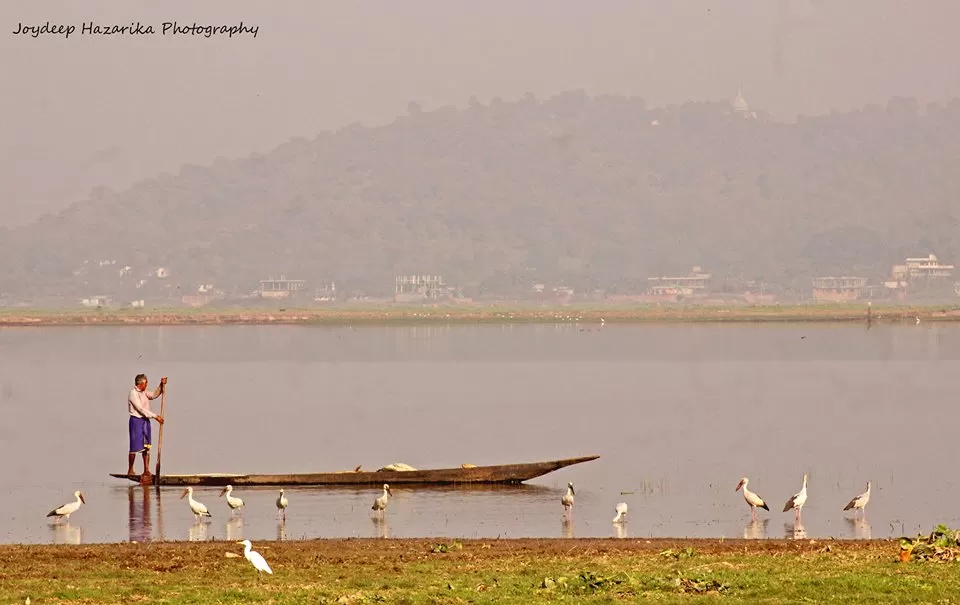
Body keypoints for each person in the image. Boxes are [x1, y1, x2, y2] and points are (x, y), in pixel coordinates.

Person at [127, 374, 166, 476]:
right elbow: (141, 409)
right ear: (141, 384)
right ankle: (130, 469)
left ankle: (146, 470)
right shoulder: (133, 393)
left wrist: (161, 385)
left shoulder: (144, 392)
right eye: (146, 383)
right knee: (134, 447)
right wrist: (156, 416)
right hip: (136, 421)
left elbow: (153, 395)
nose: (147, 385)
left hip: (145, 421)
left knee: (146, 447)